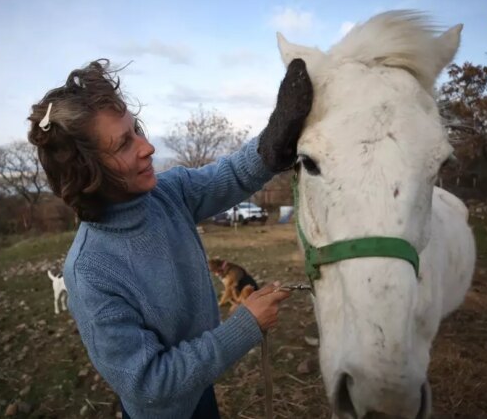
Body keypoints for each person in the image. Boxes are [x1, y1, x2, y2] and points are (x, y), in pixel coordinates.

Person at [27, 58, 313, 419]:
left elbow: (233, 174)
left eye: (138, 129)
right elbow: (151, 387)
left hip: (199, 389)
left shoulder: (167, 193)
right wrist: (247, 325)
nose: (147, 148)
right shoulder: (90, 272)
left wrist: (278, 136)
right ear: (88, 173)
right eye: (123, 144)